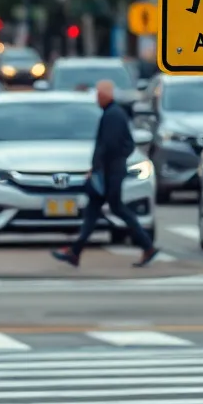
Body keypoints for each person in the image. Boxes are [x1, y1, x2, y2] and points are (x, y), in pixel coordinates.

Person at [51, 80, 160, 268]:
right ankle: (75, 252)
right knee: (93, 213)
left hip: (110, 174)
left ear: (105, 95)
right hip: (109, 172)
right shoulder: (112, 114)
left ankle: (147, 246)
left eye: (98, 95)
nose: (96, 99)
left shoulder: (113, 115)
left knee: (118, 209)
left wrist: (97, 169)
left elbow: (108, 146)